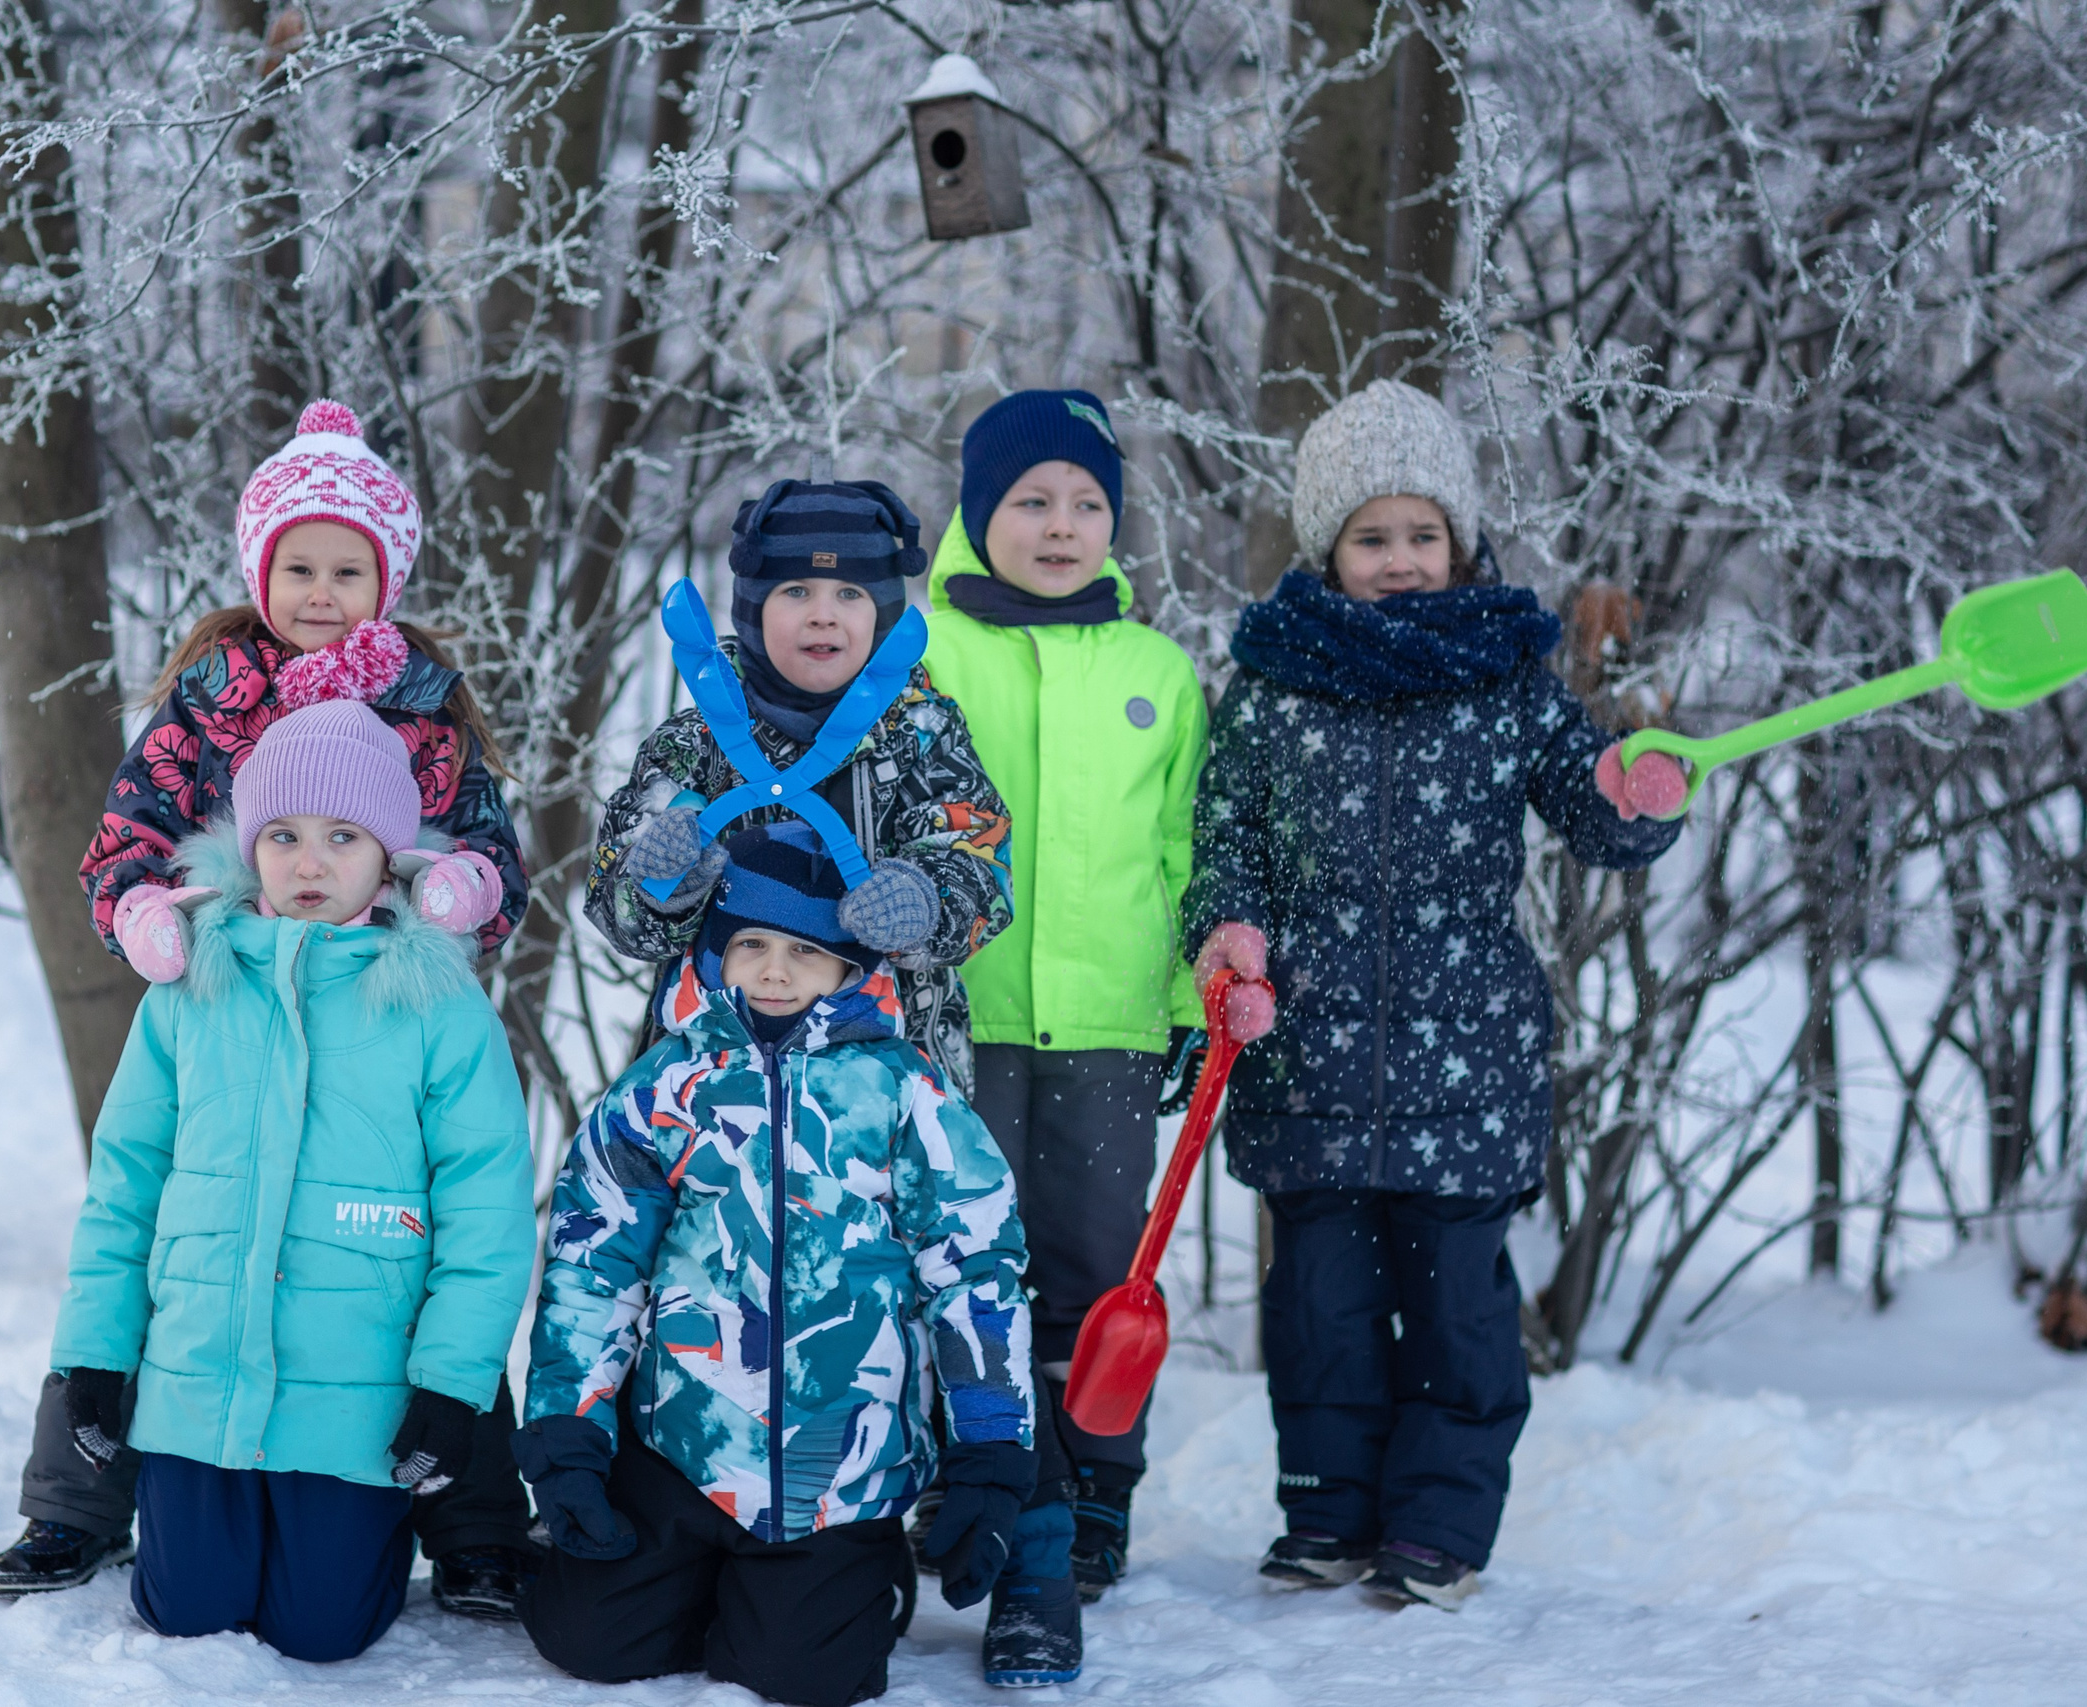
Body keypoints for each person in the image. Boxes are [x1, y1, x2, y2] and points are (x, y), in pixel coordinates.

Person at [0, 400, 538, 1622]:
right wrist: (142, 909)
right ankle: (76, 1499)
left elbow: (490, 848)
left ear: (386, 580)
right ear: (260, 572)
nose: (322, 593)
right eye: (300, 568)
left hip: (383, 989)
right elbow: (130, 828)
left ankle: (473, 1523)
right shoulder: (213, 692)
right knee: (173, 1226)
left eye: (349, 570)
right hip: (230, 982)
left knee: (408, 1237)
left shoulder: (423, 699)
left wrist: (463, 889)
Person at [1184, 379, 1688, 1610]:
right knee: (1321, 1312)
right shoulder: (1276, 682)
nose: (1401, 559)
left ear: (1459, 540)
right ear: (1328, 548)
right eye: (1372, 537)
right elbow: (1225, 838)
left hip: (1466, 1067)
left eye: (1423, 533)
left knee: (1458, 1314)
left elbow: (1592, 812)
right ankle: (1327, 1516)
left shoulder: (1506, 677)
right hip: (1307, 1056)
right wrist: (1228, 940)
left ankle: (1437, 1527)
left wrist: (1633, 795)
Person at [522, 824, 1072, 1699]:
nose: (774, 971)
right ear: (717, 951)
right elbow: (595, 1263)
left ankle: (865, 1577)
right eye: (751, 944)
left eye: (806, 951)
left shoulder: (905, 1091)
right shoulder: (668, 1084)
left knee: (801, 1673)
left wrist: (992, 1447)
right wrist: (569, 1433)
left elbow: (974, 1271)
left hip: (837, 1470)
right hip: (683, 1447)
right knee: (585, 1638)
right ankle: (700, 1575)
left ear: (852, 967)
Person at [45, 702, 535, 1661]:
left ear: (387, 853)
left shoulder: (438, 1003)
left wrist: (450, 1385)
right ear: (249, 844)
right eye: (283, 835)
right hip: (200, 1381)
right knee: (184, 1609)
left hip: (354, 1393)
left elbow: (486, 1206)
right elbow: (126, 1183)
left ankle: (367, 1538)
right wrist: (94, 1354)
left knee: (323, 1629)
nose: (310, 862)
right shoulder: (191, 987)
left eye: (342, 836)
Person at [920, 389, 1208, 1604]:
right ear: (978, 511)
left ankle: (1095, 1489)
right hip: (958, 1018)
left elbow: (1184, 849)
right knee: (961, 1260)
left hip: (1108, 1024)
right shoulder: (920, 649)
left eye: (1087, 504)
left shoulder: (1156, 670)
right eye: (1030, 500)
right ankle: (976, 1480)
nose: (1060, 526)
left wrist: (1185, 1003)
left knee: (1097, 1268)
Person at [585, 479, 1012, 1096]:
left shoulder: (922, 733)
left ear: (885, 615)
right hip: (710, 1085)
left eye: (849, 593)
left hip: (891, 1081)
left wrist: (926, 904)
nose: (823, 613)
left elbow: (979, 853)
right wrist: (657, 884)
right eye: (795, 591)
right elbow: (618, 906)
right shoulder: (694, 742)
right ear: (752, 608)